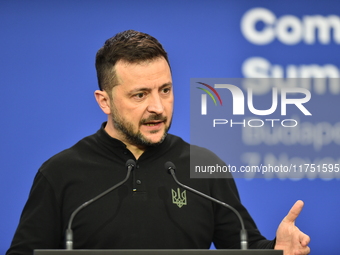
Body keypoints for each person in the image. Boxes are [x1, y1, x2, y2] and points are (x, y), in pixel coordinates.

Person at [6, 30, 310, 255]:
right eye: (140, 95)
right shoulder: (60, 173)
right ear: (105, 101)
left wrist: (276, 249)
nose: (158, 107)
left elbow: (243, 245)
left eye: (165, 90)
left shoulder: (203, 165)